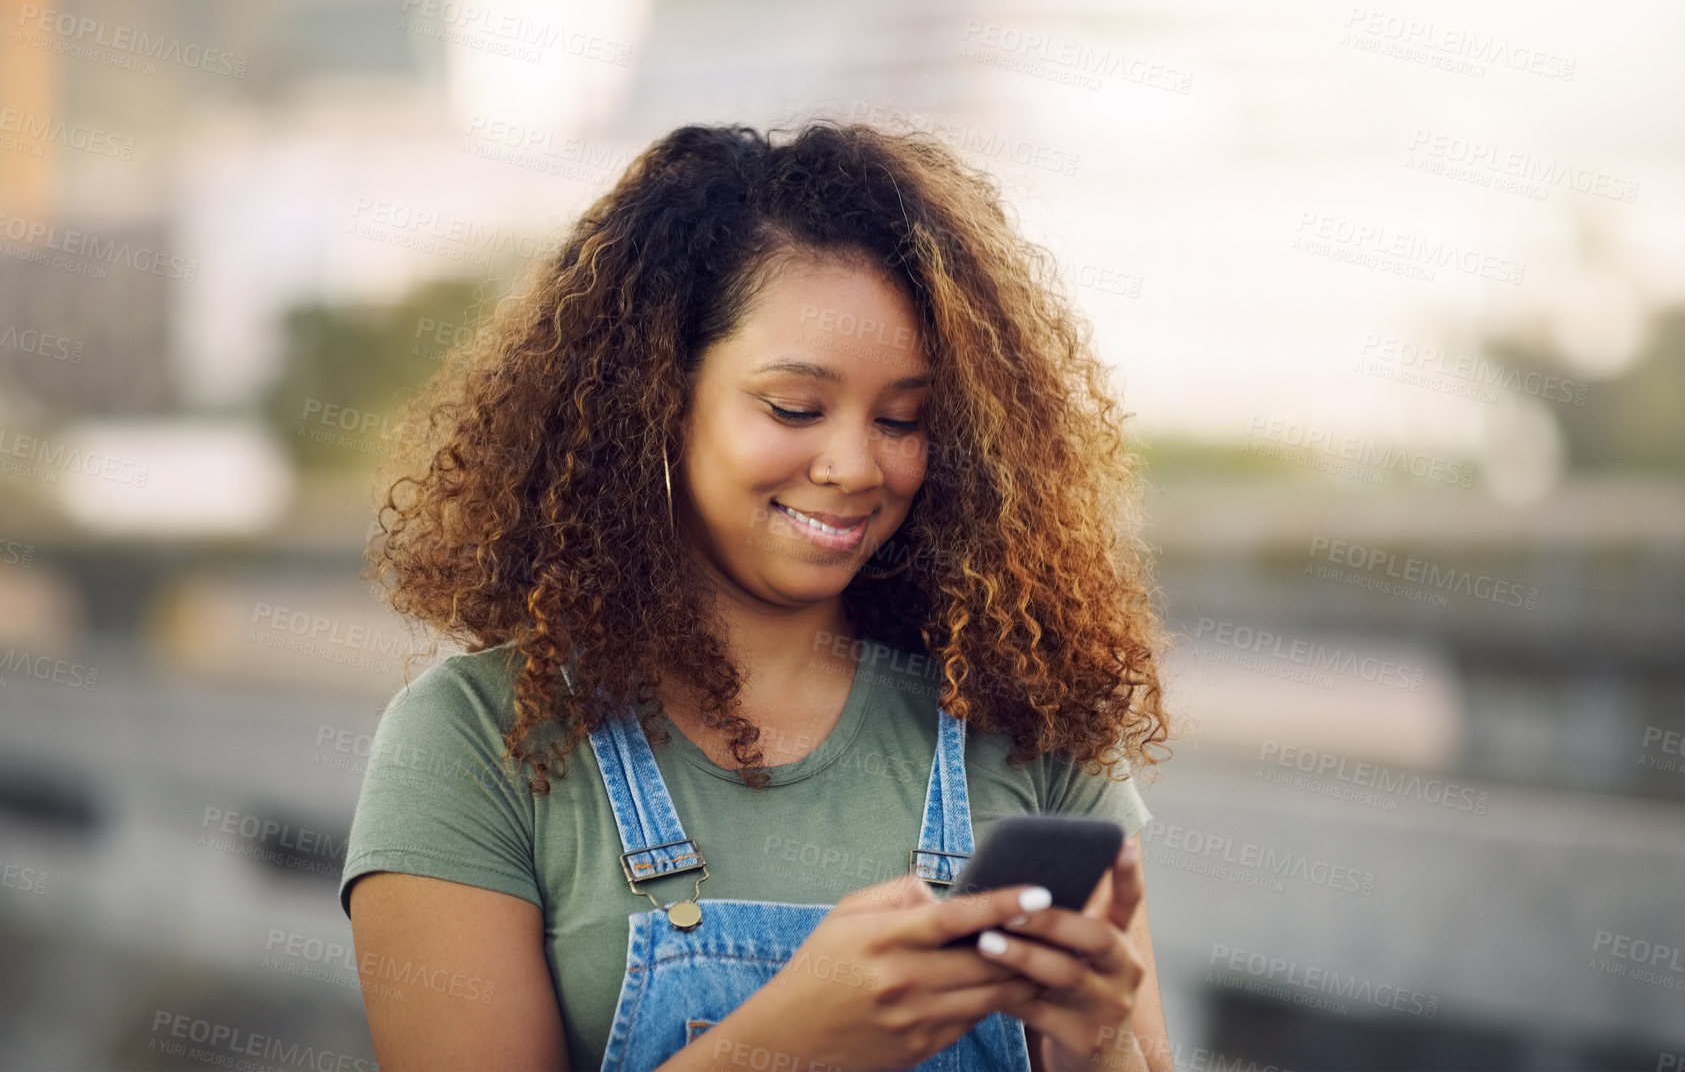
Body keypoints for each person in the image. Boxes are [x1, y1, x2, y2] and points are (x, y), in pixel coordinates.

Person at [339, 119, 1176, 1071]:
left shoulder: (1031, 728)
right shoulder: (474, 743)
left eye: (904, 418)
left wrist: (1093, 1039)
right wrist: (791, 1040)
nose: (856, 464)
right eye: (794, 408)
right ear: (656, 397)